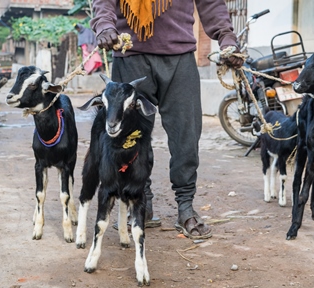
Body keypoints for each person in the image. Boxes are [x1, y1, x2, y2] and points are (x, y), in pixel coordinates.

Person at [90, 0, 244, 239]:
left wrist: (226, 38)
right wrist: (104, 26)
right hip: (130, 55)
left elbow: (211, 2)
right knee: (130, 138)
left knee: (187, 133)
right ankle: (141, 204)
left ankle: (185, 207)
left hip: (180, 57)